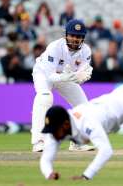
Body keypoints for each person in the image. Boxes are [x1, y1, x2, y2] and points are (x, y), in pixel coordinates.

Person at [31, 19, 95, 152]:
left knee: (83, 106)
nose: (75, 39)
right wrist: (65, 77)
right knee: (44, 97)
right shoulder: (55, 47)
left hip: (66, 77)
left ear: (83, 38)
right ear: (66, 35)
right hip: (44, 74)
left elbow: (80, 76)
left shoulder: (86, 51)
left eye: (78, 36)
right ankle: (39, 141)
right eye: (72, 35)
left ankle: (77, 141)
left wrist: (82, 77)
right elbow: (50, 75)